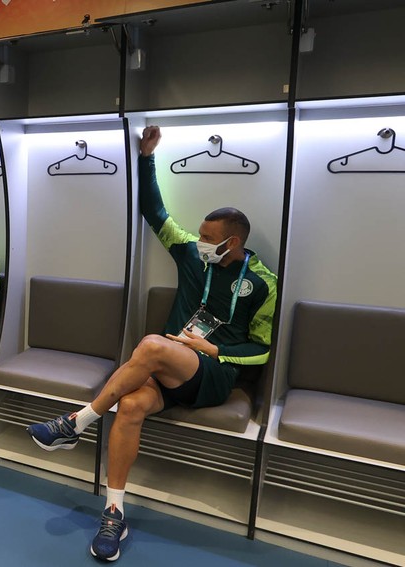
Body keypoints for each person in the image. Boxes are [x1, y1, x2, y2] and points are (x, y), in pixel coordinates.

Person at [26, 126, 278, 562]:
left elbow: (263, 350)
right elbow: (154, 211)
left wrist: (216, 351)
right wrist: (146, 157)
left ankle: (76, 422)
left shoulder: (262, 284)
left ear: (232, 242)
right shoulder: (191, 255)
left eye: (208, 237)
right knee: (131, 404)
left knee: (153, 344)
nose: (199, 241)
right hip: (165, 371)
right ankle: (114, 512)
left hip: (214, 374)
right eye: (198, 235)